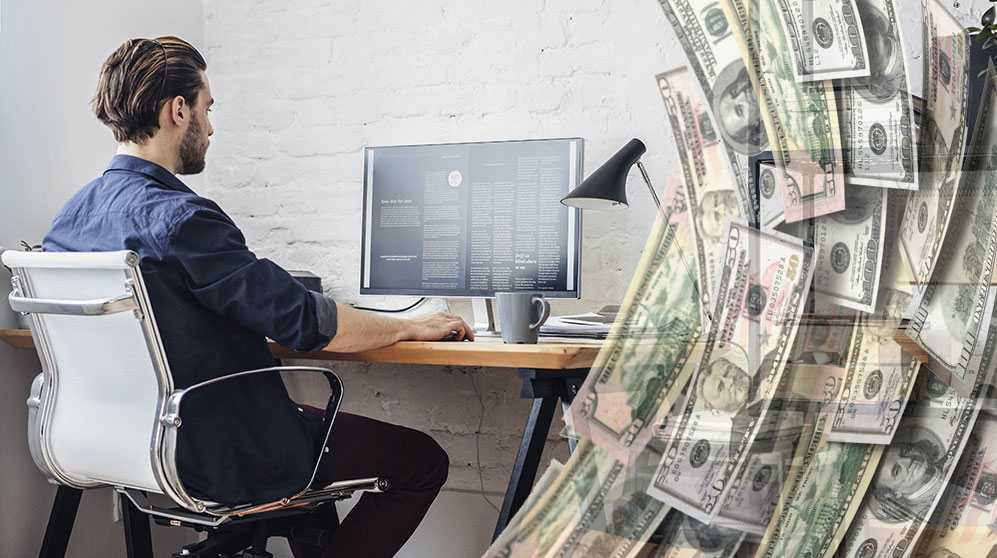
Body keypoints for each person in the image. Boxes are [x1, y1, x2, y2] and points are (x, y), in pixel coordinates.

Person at [42, 36, 473, 558]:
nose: (211, 126)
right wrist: (409, 324)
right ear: (179, 110)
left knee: (312, 448)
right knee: (423, 460)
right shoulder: (183, 219)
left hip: (129, 446)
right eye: (208, 108)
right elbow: (306, 323)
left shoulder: (69, 220)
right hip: (219, 452)